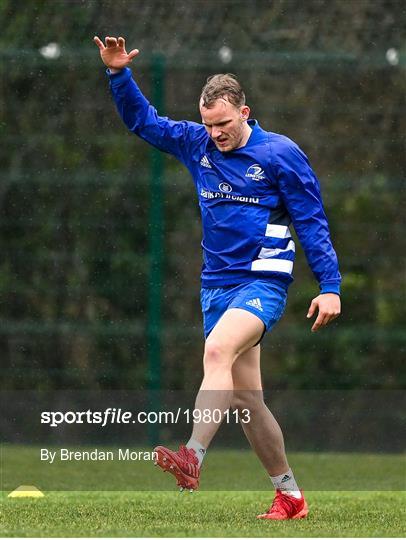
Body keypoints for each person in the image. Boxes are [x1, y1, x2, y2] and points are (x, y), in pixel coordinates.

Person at [94, 35, 341, 520]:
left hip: (262, 283)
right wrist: (119, 75)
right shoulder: (197, 143)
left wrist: (329, 287)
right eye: (209, 124)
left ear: (245, 112)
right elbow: (143, 122)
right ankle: (289, 495)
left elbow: (312, 222)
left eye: (224, 123)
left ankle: (192, 456)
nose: (216, 133)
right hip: (216, 286)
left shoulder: (280, 154)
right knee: (249, 402)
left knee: (216, 351)